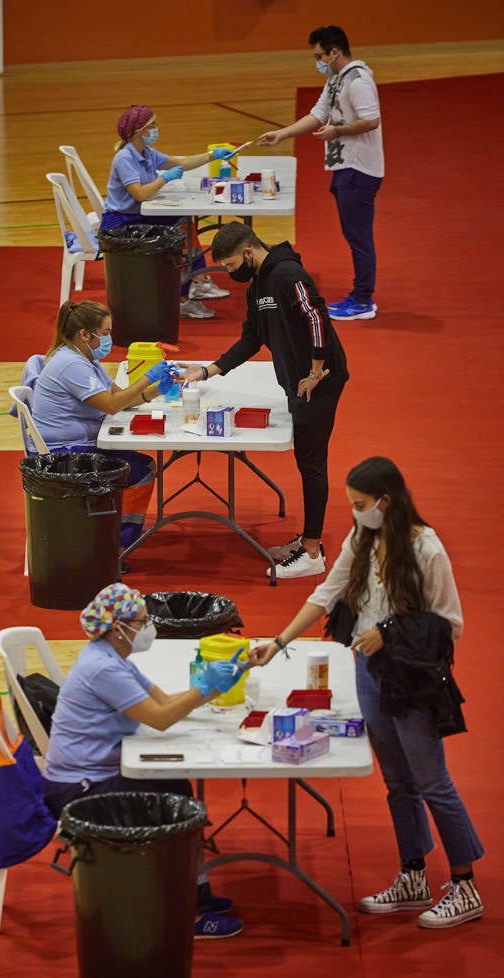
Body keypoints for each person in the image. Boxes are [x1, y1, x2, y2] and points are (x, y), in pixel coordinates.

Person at [250, 457, 484, 929]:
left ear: (386, 501)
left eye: (360, 505)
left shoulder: (427, 550)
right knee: (397, 780)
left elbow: (450, 625)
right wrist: (277, 643)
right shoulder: (362, 539)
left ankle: (465, 885)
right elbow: (326, 595)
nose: (354, 513)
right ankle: (413, 874)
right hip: (368, 672)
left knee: (432, 781)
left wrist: (389, 631)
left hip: (411, 678)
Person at [42, 582, 245, 939]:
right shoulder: (103, 669)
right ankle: (189, 917)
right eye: (142, 619)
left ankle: (196, 894)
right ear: (118, 627)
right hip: (78, 789)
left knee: (178, 788)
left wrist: (213, 686)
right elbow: (162, 719)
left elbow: (164, 702)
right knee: (173, 805)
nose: (149, 625)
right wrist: (207, 688)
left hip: (96, 772)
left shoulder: (112, 657)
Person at [182, 221, 349, 580]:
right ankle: (307, 539)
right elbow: (250, 339)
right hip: (298, 383)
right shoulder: (257, 286)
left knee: (311, 463)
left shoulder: (289, 273)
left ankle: (313, 552)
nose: (228, 273)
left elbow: (317, 316)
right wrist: (209, 370)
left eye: (229, 266)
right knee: (306, 459)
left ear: (247, 252)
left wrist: (317, 369)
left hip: (319, 383)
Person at [259, 25, 384, 321]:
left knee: (359, 236)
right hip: (344, 167)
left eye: (319, 55)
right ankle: (361, 296)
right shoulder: (335, 80)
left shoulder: (358, 81)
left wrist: (337, 131)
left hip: (360, 169)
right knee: (353, 233)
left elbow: (371, 120)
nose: (317, 61)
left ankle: (363, 300)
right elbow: (317, 114)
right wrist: (283, 134)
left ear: (334, 52)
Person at [31, 299, 174, 548]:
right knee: (138, 473)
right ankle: (117, 545)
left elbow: (122, 398)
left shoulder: (85, 359)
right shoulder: (71, 365)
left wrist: (157, 390)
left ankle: (113, 529)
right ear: (85, 334)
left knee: (143, 462)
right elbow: (111, 405)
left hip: (77, 445)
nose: (109, 338)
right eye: (105, 333)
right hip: (62, 456)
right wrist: (146, 378)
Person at [101, 103, 232, 320]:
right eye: (152, 125)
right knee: (178, 232)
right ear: (140, 131)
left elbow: (181, 161)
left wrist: (212, 155)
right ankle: (186, 295)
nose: (156, 128)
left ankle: (198, 281)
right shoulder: (125, 158)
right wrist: (164, 178)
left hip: (138, 214)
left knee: (183, 222)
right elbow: (140, 194)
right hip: (120, 222)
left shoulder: (146, 152)